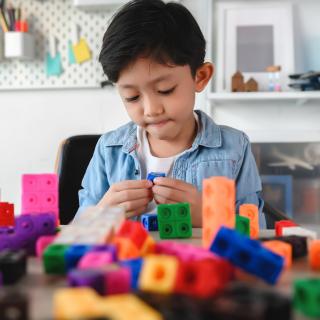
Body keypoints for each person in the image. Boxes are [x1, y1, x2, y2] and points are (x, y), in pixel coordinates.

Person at [77, 0, 265, 227]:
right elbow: (77, 232)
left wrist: (207, 217)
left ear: (200, 76)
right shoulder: (109, 151)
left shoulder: (234, 148)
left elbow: (257, 231)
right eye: (132, 97)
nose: (151, 110)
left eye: (165, 90)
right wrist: (102, 214)